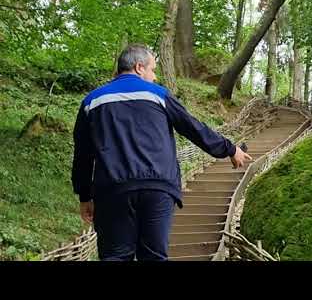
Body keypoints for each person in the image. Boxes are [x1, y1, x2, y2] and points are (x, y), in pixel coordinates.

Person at [71, 44, 252, 261]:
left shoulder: (92, 101)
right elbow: (192, 127)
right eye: (153, 70)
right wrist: (229, 149)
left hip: (112, 190)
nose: (155, 77)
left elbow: (83, 154)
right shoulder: (158, 95)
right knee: (154, 257)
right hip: (157, 189)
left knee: (115, 257)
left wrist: (84, 195)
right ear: (139, 67)